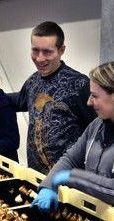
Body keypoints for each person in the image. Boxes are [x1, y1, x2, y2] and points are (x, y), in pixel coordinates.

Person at [31, 62, 114, 218]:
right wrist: (48, 185)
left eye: (94, 96)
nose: (88, 102)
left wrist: (74, 178)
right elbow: (71, 158)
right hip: (93, 218)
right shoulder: (97, 125)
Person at [14, 21, 96, 174]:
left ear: (61, 50)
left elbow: (97, 130)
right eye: (35, 50)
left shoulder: (79, 85)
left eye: (47, 52)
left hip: (68, 180)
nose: (39, 58)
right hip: (35, 176)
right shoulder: (33, 81)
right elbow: (19, 101)